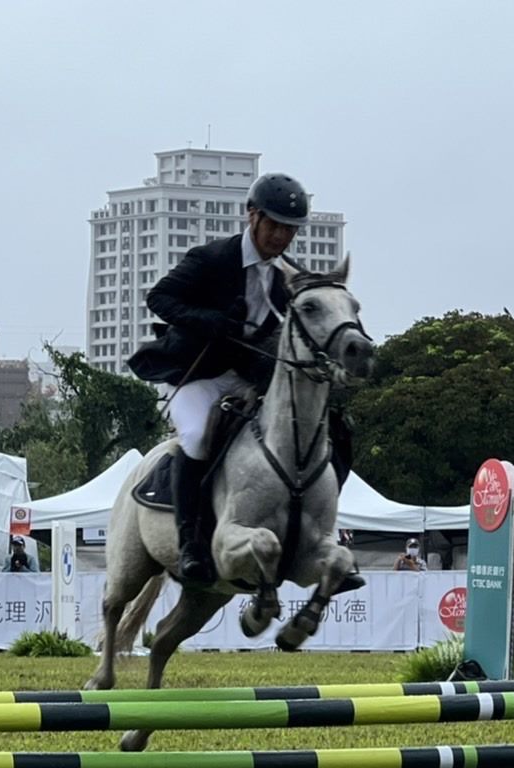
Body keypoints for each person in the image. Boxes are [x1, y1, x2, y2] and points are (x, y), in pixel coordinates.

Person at [128, 172, 360, 586]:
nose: (282, 236)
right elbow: (159, 298)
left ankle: (317, 537)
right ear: (252, 216)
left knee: (327, 430)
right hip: (200, 373)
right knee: (198, 435)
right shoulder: (212, 258)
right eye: (274, 225)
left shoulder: (288, 276)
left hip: (251, 376)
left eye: (290, 229)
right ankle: (192, 544)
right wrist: (211, 321)